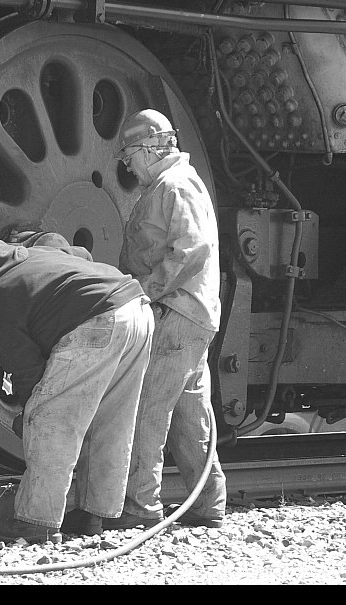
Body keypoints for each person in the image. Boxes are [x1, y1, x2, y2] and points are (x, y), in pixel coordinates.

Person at [0, 231, 154, 543]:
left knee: (49, 420)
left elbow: (29, 371)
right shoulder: (19, 258)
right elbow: (77, 253)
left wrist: (29, 414)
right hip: (135, 307)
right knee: (110, 422)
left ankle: (36, 522)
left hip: (98, 322)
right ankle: (93, 514)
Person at [107, 108, 228, 530]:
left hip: (175, 312)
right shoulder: (171, 184)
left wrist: (146, 293)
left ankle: (140, 507)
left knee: (146, 409)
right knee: (189, 416)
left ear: (150, 148)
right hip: (189, 313)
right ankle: (209, 504)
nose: (126, 163)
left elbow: (191, 250)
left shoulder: (173, 185)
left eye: (129, 154)